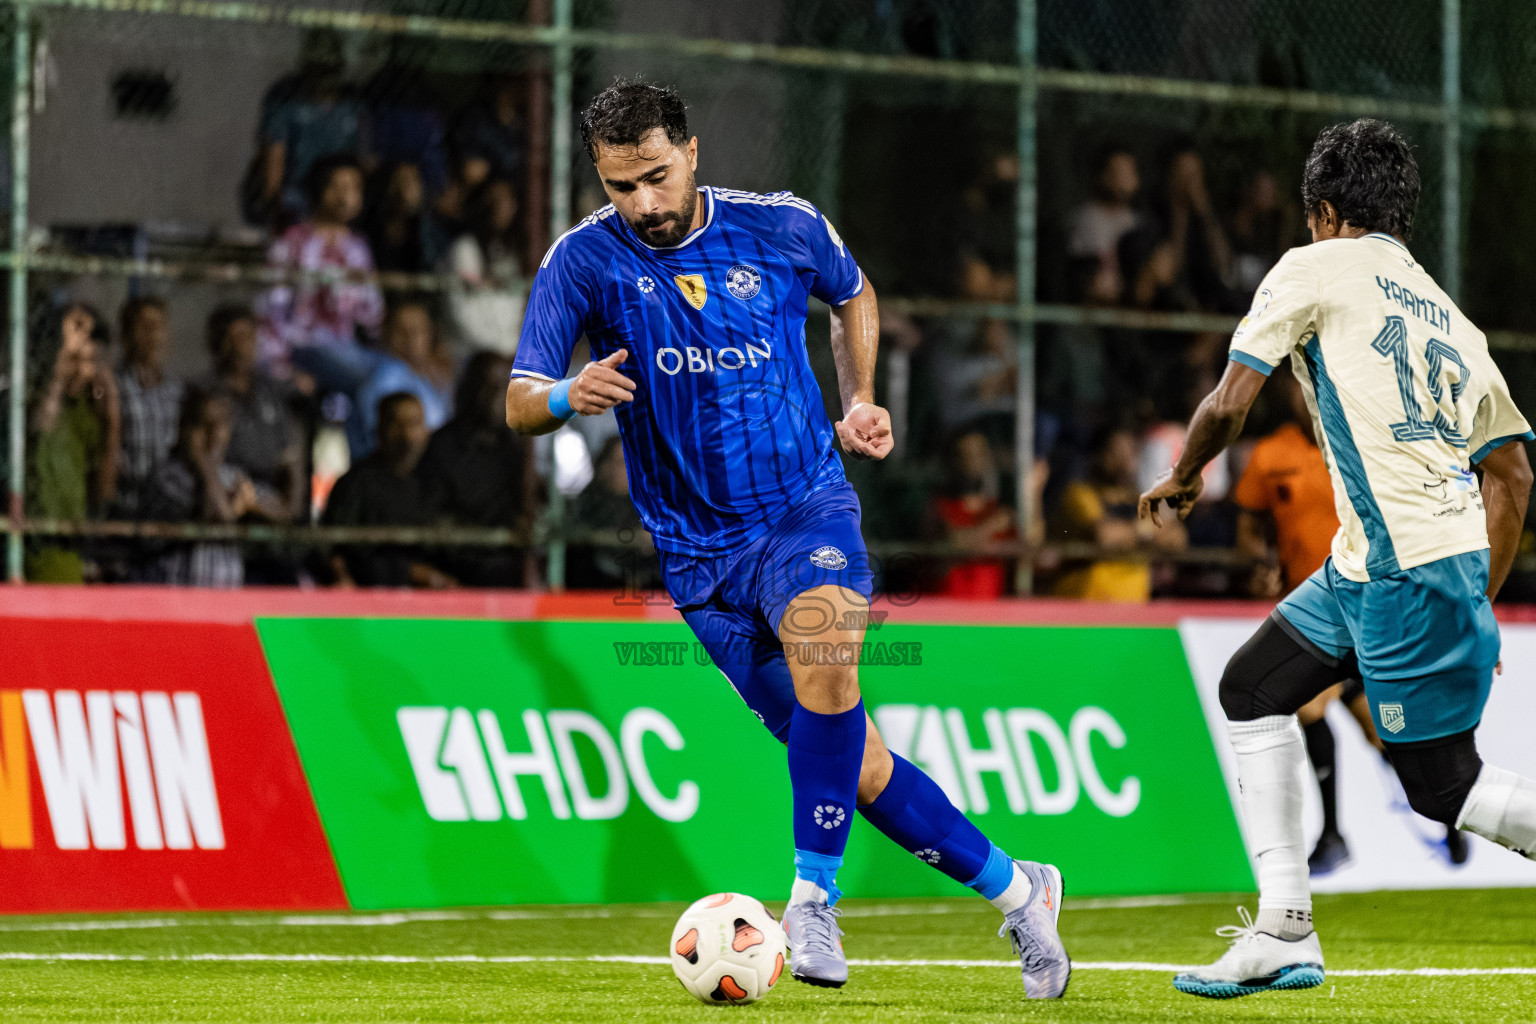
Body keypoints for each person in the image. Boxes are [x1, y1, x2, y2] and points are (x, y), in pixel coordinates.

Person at [504, 80, 1069, 998]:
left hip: (805, 509)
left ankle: (812, 899)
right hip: (698, 560)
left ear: (691, 153)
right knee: (861, 765)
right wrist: (569, 395)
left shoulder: (782, 226)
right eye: (620, 186)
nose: (642, 202)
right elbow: (520, 398)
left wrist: (859, 397)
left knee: (826, 656)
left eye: (655, 176)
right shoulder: (581, 261)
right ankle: (1021, 889)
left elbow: (853, 292)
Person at [1140, 118, 1536, 999]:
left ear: (1323, 211)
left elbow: (1229, 401)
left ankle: (1287, 926)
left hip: (1402, 568)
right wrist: (1477, 594)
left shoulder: (1311, 266)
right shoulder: (1452, 317)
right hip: (1381, 564)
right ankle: (1285, 928)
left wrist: (1183, 474)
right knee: (1252, 688)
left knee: (1444, 790)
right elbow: (1512, 476)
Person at [257, 153, 385, 385]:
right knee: (372, 379)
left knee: (395, 373)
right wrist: (280, 364)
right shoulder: (293, 241)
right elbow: (272, 307)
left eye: (353, 188)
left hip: (345, 347)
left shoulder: (358, 247)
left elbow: (372, 315)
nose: (345, 197)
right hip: (303, 345)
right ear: (319, 189)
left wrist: (362, 290)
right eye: (337, 187)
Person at [417, 351, 532, 587]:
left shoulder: (513, 448)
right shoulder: (443, 445)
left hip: (506, 574)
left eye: (505, 386)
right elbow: (430, 518)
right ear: (471, 388)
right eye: (489, 386)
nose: (497, 396)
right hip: (455, 575)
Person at [323, 391, 454, 589]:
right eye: (397, 424)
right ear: (380, 429)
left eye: (415, 424)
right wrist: (409, 573)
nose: (407, 435)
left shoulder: (437, 483)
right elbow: (334, 550)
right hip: (371, 595)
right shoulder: (355, 483)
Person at [26, 303, 118, 582]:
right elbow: (39, 428)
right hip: (33, 550)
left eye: (89, 360)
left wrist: (112, 414)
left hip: (71, 553)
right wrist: (58, 374)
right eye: (74, 358)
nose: (82, 370)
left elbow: (103, 489)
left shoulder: (86, 410)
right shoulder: (25, 401)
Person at [199, 304, 308, 523]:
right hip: (224, 491)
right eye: (233, 337)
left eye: (247, 336)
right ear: (217, 343)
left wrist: (291, 506)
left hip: (270, 493)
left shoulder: (271, 391)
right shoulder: (205, 393)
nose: (241, 346)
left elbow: (291, 451)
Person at [1053, 425, 1185, 602]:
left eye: (1130, 451)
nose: (1125, 459)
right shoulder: (1080, 494)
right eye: (1116, 452)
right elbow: (1105, 535)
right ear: (1098, 456)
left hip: (1134, 603)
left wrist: (1132, 532)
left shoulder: (1140, 498)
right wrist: (1147, 529)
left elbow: (1177, 538)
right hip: (1087, 601)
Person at [143, 388, 257, 588]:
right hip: (177, 593)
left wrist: (251, 504)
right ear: (185, 429)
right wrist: (203, 461)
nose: (214, 435)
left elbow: (282, 509)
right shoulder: (167, 476)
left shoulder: (232, 474)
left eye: (221, 425)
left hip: (226, 596)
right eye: (205, 426)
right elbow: (216, 513)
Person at [348, 299, 453, 458]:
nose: (411, 338)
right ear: (387, 334)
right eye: (402, 331)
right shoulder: (383, 379)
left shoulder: (426, 375)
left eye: (419, 330)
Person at [112, 296, 184, 520]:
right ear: (126, 334)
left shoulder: (176, 391)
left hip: (167, 511)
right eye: (144, 326)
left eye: (158, 326)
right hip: (124, 507)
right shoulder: (114, 386)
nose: (153, 334)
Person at [443, 177, 526, 358]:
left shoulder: (508, 252)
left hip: (507, 351)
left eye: (506, 200)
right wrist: (496, 350)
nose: (500, 207)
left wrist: (510, 347)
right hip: (471, 355)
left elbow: (514, 304)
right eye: (493, 201)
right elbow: (460, 310)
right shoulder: (464, 249)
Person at [930, 428, 1015, 599]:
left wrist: (1034, 493)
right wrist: (993, 525)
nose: (972, 461)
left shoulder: (996, 509)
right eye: (965, 454)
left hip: (992, 607)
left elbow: (1034, 554)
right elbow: (955, 543)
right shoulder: (940, 507)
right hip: (947, 606)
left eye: (979, 453)